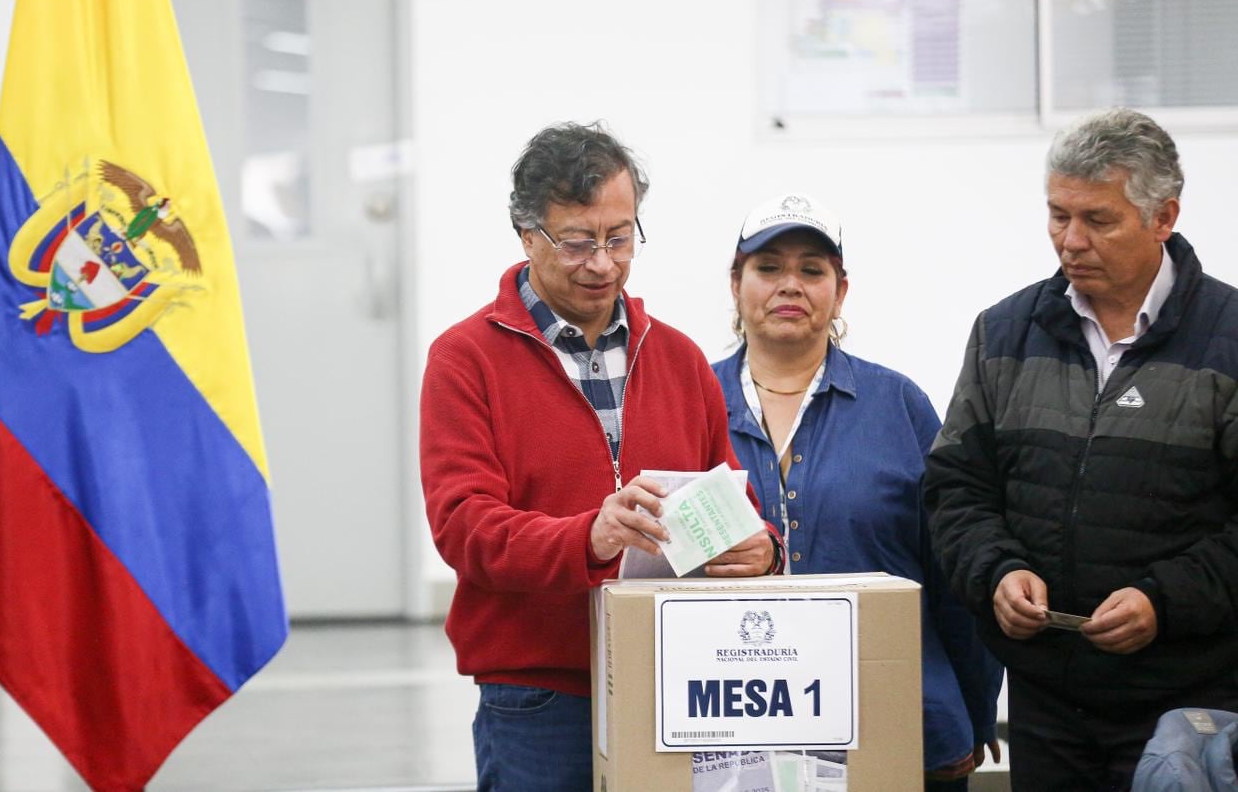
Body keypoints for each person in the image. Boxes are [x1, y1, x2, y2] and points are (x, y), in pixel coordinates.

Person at [419, 122, 780, 792]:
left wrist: (763, 550)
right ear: (527, 235)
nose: (604, 264)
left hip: (679, 682)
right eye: (578, 242)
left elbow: (736, 503)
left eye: (620, 237)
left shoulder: (678, 358)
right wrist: (587, 537)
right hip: (538, 697)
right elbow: (464, 527)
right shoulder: (465, 361)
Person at [924, 108, 1238, 790]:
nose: (1070, 240)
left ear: (1163, 217)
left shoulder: (1229, 339)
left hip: (1189, 707)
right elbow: (955, 487)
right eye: (1058, 215)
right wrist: (997, 573)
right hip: (1046, 703)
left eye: (1098, 219)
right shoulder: (1006, 332)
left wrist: (1163, 601)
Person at [712, 193, 1003, 790]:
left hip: (901, 727)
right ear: (736, 283)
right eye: (768, 267)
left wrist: (969, 713)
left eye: (811, 269)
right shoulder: (690, 402)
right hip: (733, 738)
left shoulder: (899, 405)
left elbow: (955, 573)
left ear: (840, 291)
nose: (790, 284)